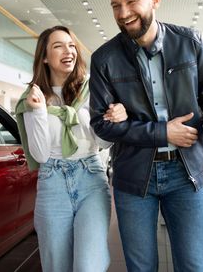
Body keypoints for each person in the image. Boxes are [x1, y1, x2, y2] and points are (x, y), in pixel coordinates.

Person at [89, 0, 203, 272]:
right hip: (133, 177)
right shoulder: (104, 59)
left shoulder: (190, 42)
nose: (123, 13)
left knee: (193, 267)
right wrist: (162, 133)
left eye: (132, 2)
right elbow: (101, 124)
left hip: (187, 174)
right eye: (116, 5)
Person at [15, 25, 127, 272]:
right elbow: (41, 154)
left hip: (90, 177)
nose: (68, 51)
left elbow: (103, 143)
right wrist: (39, 111)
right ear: (44, 57)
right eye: (58, 46)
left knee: (89, 266)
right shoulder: (33, 97)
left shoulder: (93, 89)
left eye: (71, 45)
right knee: (57, 266)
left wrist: (114, 121)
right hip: (52, 181)